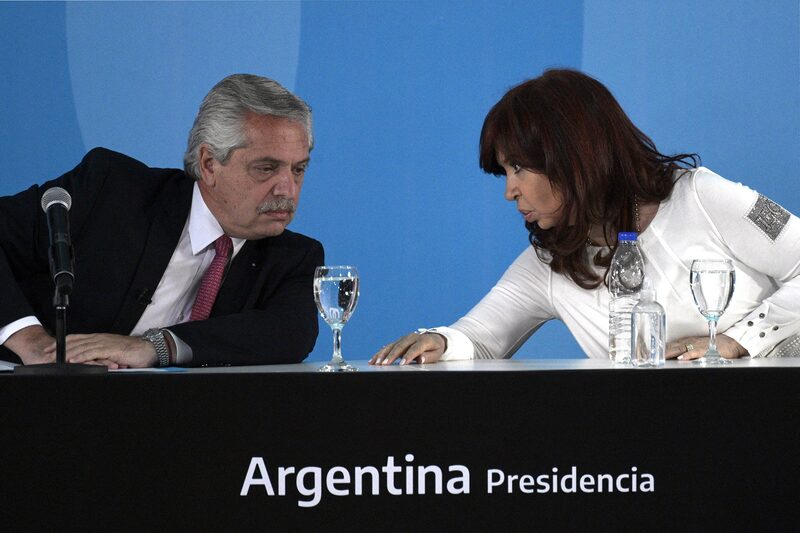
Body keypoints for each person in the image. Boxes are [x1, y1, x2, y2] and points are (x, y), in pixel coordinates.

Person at [371, 68, 800, 366]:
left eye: (519, 167)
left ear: (572, 155)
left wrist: (739, 341)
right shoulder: (550, 264)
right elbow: (480, 337)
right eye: (503, 172)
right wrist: (440, 341)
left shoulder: (701, 196)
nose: (509, 191)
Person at [0, 74, 323, 368]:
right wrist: (31, 340)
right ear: (209, 164)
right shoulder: (111, 191)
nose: (288, 189)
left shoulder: (293, 256)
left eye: (298, 169)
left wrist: (154, 346)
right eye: (266, 168)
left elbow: (291, 333)